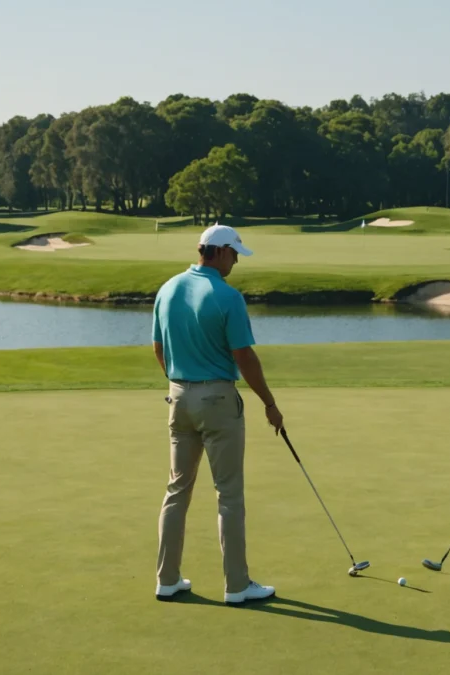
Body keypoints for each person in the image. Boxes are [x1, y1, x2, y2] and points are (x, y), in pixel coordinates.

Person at [152, 224, 284, 606]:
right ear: (221, 252)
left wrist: (180, 384)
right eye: (235, 253)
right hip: (218, 401)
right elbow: (245, 357)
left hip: (178, 397)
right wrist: (269, 403)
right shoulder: (227, 296)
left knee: (177, 491)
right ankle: (237, 586)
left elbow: (158, 348)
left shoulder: (168, 288)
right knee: (228, 495)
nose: (237, 260)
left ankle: (167, 579)